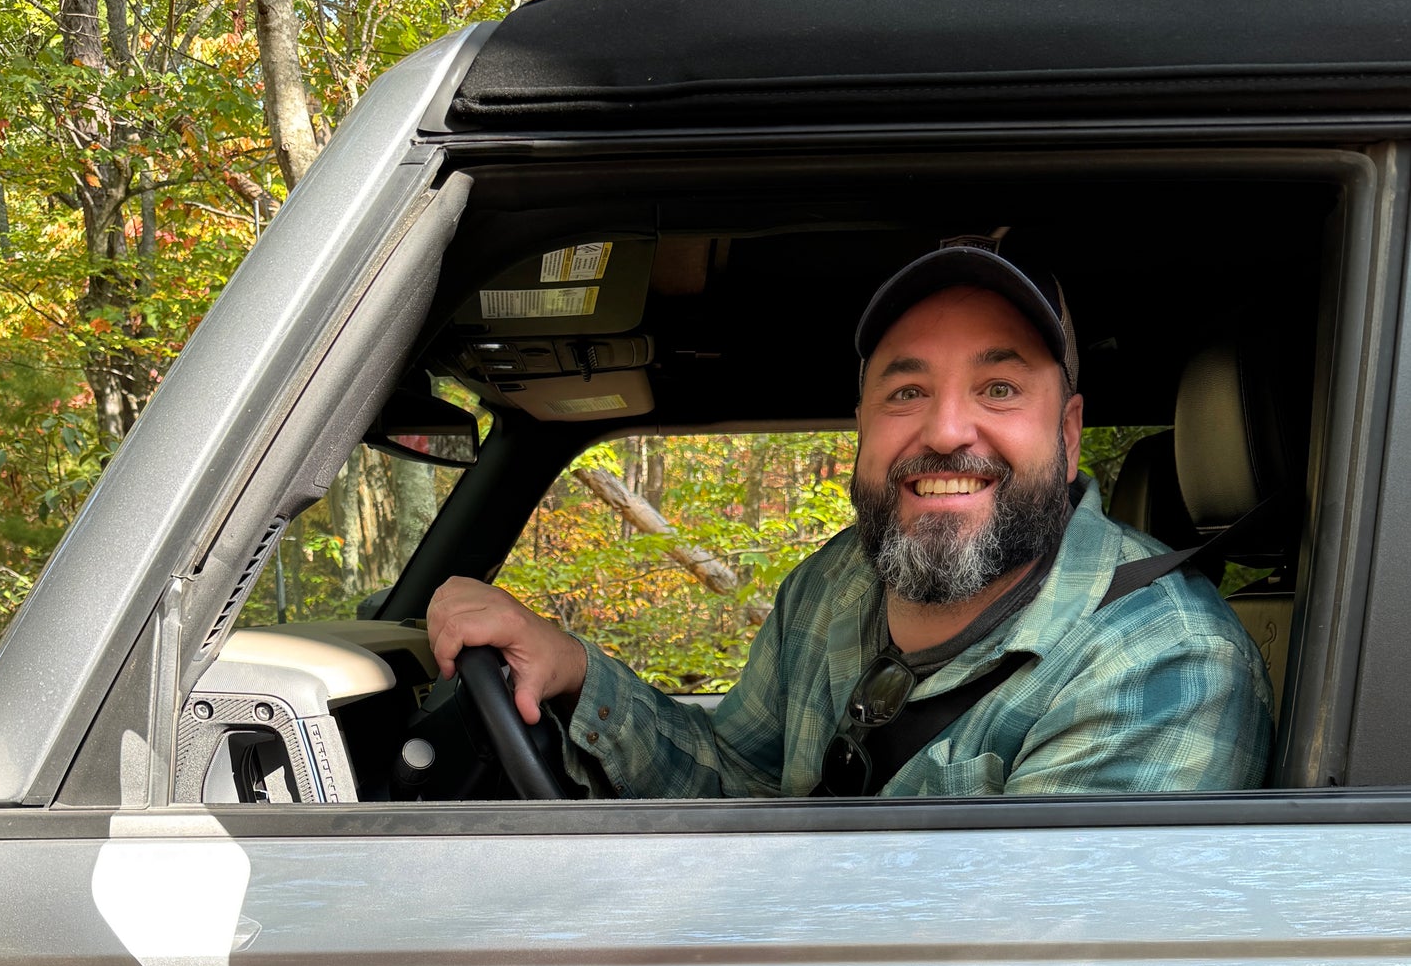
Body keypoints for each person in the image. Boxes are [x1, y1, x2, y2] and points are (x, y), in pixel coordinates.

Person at [426, 241, 1274, 798]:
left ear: (1069, 428)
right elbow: (738, 786)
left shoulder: (1165, 663)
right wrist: (576, 669)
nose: (945, 430)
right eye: (907, 390)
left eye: (1000, 388)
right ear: (865, 426)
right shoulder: (837, 581)